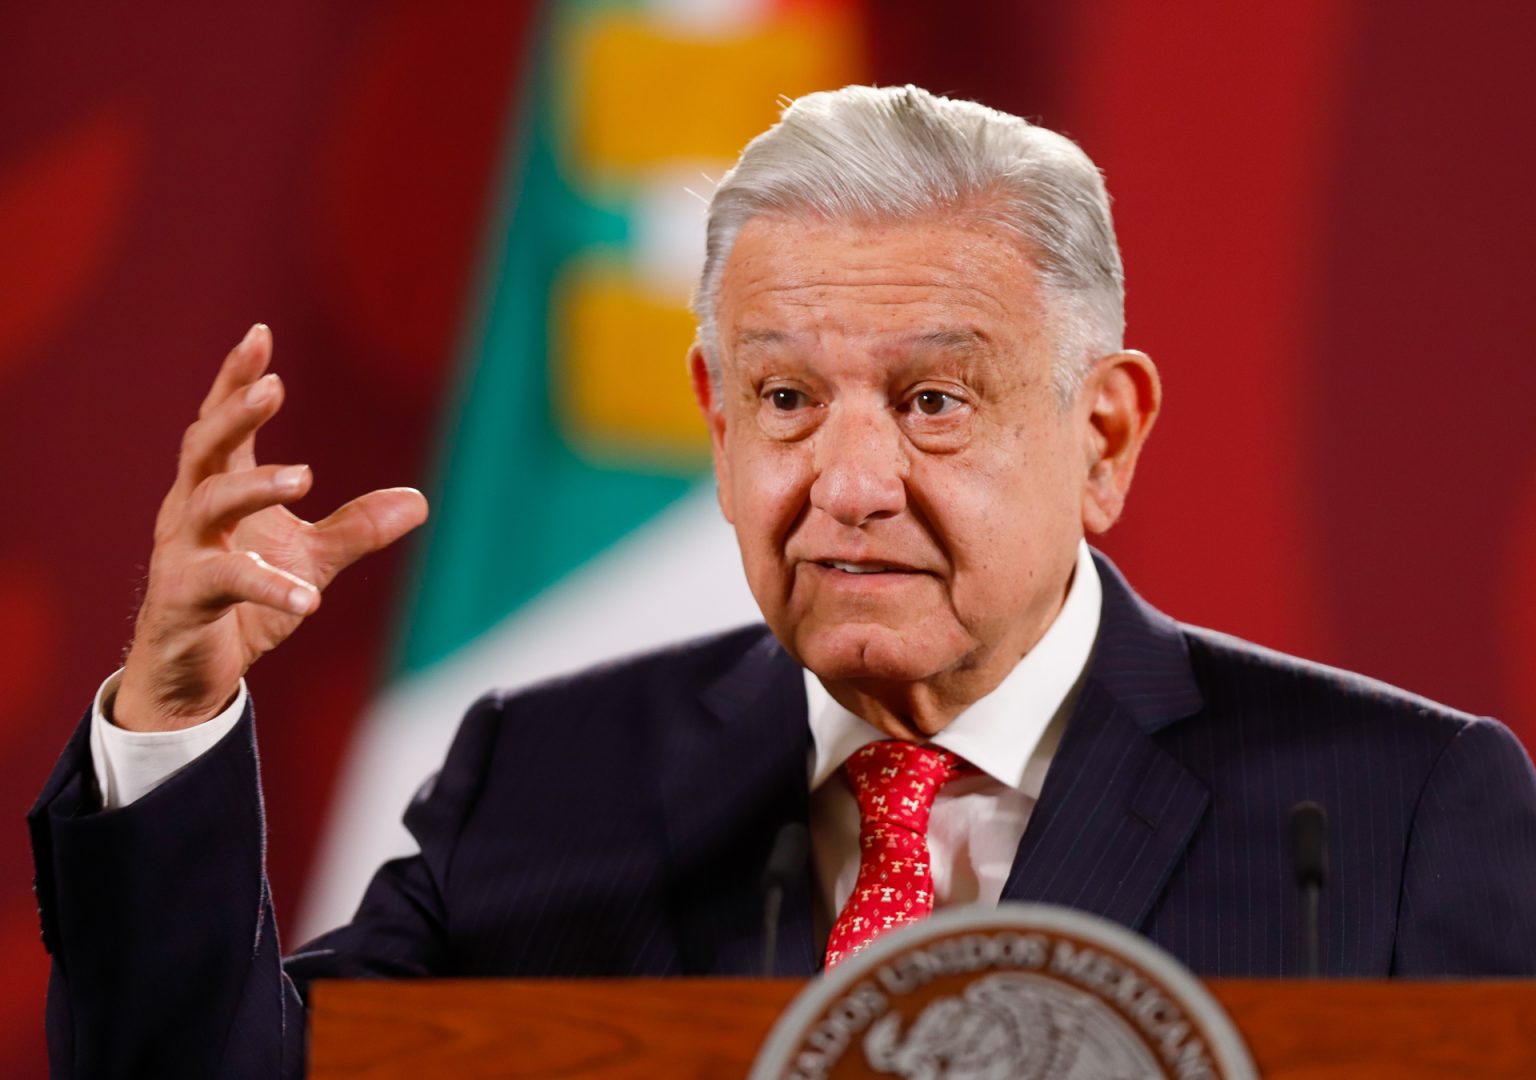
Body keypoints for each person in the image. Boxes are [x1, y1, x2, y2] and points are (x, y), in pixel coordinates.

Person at [30, 85, 1536, 1078]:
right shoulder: (551, 780)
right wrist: (171, 715)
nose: (849, 482)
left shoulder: (1400, 813)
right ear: (713, 411)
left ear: (1106, 433)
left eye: (936, 401)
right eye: (787, 400)